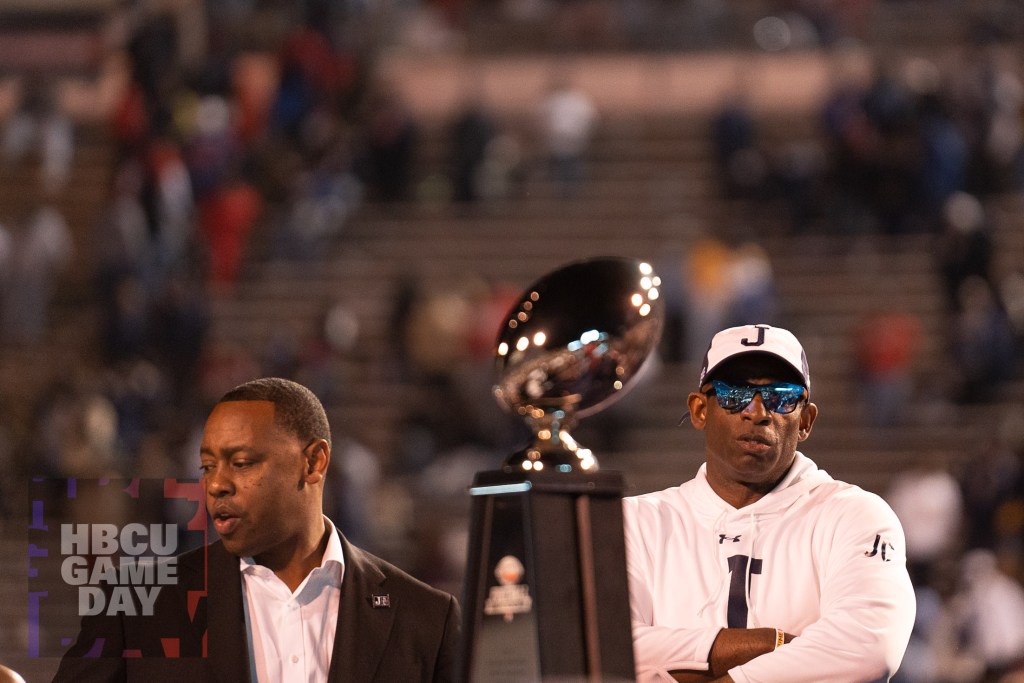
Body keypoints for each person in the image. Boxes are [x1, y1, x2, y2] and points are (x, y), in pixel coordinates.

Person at [54, 377, 461, 682]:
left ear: (314, 462)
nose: (216, 484)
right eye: (208, 466)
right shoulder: (137, 606)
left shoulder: (425, 617)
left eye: (243, 462)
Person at [622, 324, 916, 682]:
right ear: (700, 411)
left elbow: (868, 647)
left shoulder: (853, 515)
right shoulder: (636, 521)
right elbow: (605, 649)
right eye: (735, 395)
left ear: (805, 421)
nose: (757, 411)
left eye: (781, 396)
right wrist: (766, 643)